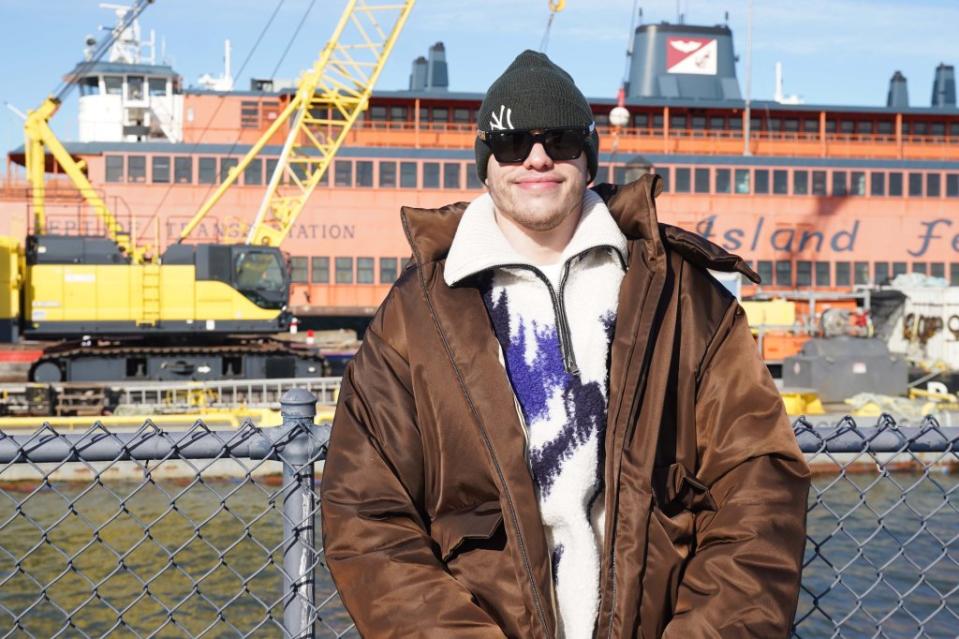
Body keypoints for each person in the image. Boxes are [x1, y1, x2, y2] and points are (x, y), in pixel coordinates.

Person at [321, 50, 810, 638]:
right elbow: (366, 515)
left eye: (560, 139)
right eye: (510, 143)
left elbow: (758, 484)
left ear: (589, 154)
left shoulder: (684, 296)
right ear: (484, 161)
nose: (536, 157)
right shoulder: (412, 317)